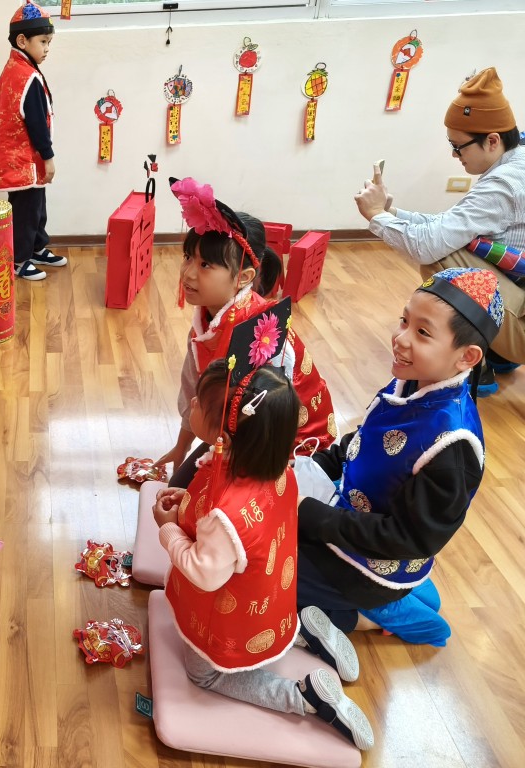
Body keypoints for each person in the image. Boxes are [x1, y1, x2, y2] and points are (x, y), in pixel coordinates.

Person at [154, 359, 373, 751]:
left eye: (199, 403)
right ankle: (305, 631)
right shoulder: (275, 469)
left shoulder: (224, 515)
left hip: (231, 613)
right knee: (265, 614)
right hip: (271, 599)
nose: (192, 404)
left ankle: (306, 697)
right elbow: (228, 507)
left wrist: (168, 529)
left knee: (204, 675)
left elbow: (203, 571)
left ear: (224, 435)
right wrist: (188, 499)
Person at [296, 267, 503, 647]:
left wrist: (309, 514)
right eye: (404, 321)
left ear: (467, 356)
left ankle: (376, 615)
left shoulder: (453, 445)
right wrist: (311, 467)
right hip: (352, 524)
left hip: (373, 563)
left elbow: (408, 538)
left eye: (423, 332)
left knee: (264, 575)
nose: (400, 338)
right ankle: (407, 594)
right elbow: (363, 442)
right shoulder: (411, 381)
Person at [157, 178, 337, 487]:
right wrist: (181, 447)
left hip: (282, 448)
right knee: (178, 490)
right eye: (188, 257)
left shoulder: (263, 337)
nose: (187, 273)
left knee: (194, 500)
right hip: (236, 428)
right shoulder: (206, 322)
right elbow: (193, 392)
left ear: (243, 277)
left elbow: (270, 423)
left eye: (205, 265)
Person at [355, 67, 524, 393]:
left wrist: (376, 215)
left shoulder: (504, 185)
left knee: (442, 264)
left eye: (459, 146)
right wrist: (390, 213)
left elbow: (429, 246)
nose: (454, 154)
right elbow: (450, 226)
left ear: (492, 140)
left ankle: (476, 363)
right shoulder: (516, 161)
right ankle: (498, 351)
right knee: (451, 246)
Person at [0, 0, 66, 281]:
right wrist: (48, 157)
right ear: (22, 41)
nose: (47, 48)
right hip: (24, 160)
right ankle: (20, 260)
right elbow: (36, 122)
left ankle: (36, 248)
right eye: (43, 42)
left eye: (49, 42)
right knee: (25, 211)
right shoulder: (27, 76)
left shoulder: (14, 69)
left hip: (21, 158)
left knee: (36, 207)